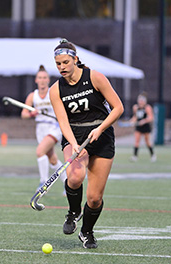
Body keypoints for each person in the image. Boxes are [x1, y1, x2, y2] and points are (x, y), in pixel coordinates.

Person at [49, 39, 124, 249]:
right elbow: (62, 121)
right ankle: (73, 212)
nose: (61, 67)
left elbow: (118, 108)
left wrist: (100, 129)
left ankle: (86, 232)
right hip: (75, 134)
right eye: (58, 64)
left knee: (94, 198)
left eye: (65, 62)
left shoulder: (95, 78)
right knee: (74, 177)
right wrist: (73, 144)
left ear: (75, 59)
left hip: (101, 134)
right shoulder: (56, 90)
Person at [21, 65, 66, 194]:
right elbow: (23, 114)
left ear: (48, 80)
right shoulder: (32, 96)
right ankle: (67, 183)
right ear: (36, 80)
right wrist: (31, 114)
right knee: (52, 159)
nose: (42, 80)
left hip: (53, 127)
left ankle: (44, 182)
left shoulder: (53, 93)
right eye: (39, 77)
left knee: (40, 151)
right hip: (40, 128)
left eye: (44, 78)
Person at [129, 92, 156, 162]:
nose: (141, 102)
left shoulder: (147, 108)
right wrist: (132, 121)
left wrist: (144, 121)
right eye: (139, 100)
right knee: (137, 141)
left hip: (146, 126)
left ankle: (152, 155)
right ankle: (135, 156)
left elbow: (151, 117)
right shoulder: (135, 107)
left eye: (142, 100)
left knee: (147, 142)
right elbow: (135, 117)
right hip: (138, 127)